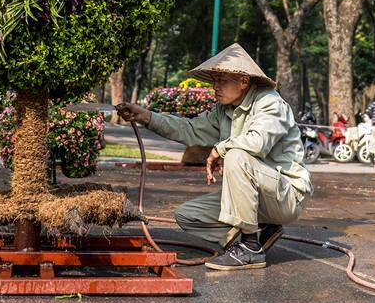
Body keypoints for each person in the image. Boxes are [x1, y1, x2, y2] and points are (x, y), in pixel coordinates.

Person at [117, 43, 312, 271]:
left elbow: (257, 142)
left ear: (244, 81)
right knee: (188, 216)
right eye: (214, 80)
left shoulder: (269, 102)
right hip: (258, 199)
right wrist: (146, 116)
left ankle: (249, 248)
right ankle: (260, 233)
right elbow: (189, 129)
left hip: (286, 196)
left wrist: (221, 149)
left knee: (237, 156)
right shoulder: (223, 110)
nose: (215, 87)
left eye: (222, 80)